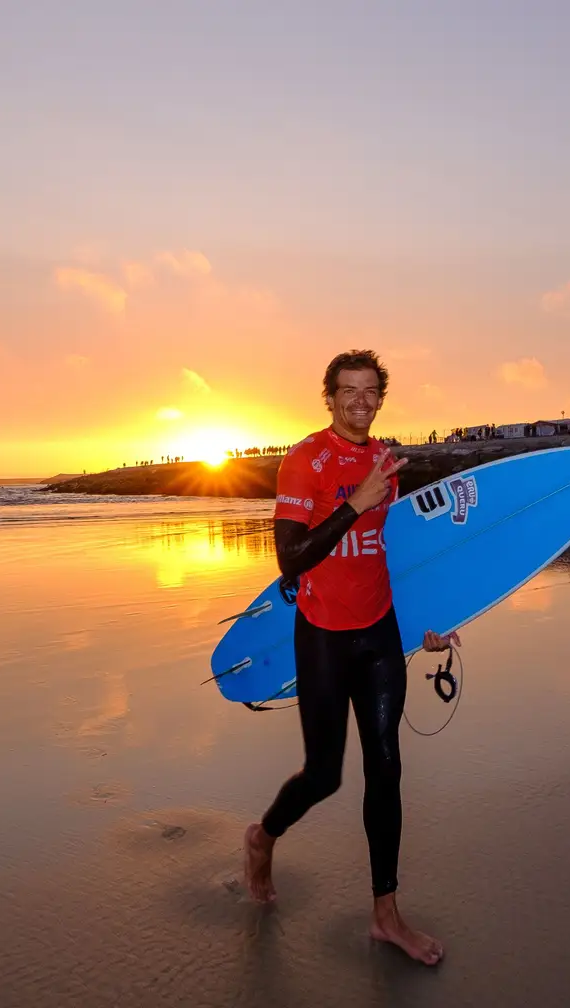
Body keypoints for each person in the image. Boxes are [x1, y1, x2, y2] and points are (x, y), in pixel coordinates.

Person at [242, 349, 451, 966]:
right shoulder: (305, 460)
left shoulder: (385, 459)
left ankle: (386, 913)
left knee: (386, 768)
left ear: (379, 397)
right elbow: (292, 559)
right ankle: (262, 836)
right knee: (325, 773)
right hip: (325, 634)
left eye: (369, 391)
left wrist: (435, 624)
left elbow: (398, 547)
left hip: (380, 630)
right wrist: (355, 502)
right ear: (329, 397)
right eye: (347, 391)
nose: (359, 401)